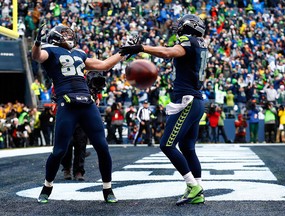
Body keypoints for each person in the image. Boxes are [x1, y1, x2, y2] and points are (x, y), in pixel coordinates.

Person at [32, 24, 134, 204]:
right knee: (59, 151)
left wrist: (124, 52)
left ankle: (107, 188)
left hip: (86, 102)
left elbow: (103, 65)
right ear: (55, 36)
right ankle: (47, 186)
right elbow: (37, 56)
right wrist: (38, 42)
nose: (69, 35)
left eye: (69, 33)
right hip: (67, 103)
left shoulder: (79, 53)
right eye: (64, 33)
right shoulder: (50, 50)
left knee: (102, 147)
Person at [120, 14, 207, 205]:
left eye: (181, 25)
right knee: (187, 148)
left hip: (188, 100)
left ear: (189, 28)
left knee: (166, 144)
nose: (177, 27)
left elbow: (169, 53)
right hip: (196, 100)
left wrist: (141, 48)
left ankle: (193, 186)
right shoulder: (201, 44)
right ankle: (197, 189)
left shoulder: (188, 41)